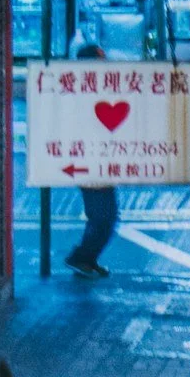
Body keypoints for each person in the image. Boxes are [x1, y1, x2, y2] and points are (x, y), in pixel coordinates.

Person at [64, 44, 117, 279]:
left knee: (105, 216)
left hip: (102, 161)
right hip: (89, 162)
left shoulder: (94, 88)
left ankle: (88, 259)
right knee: (103, 217)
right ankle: (80, 258)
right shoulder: (81, 91)